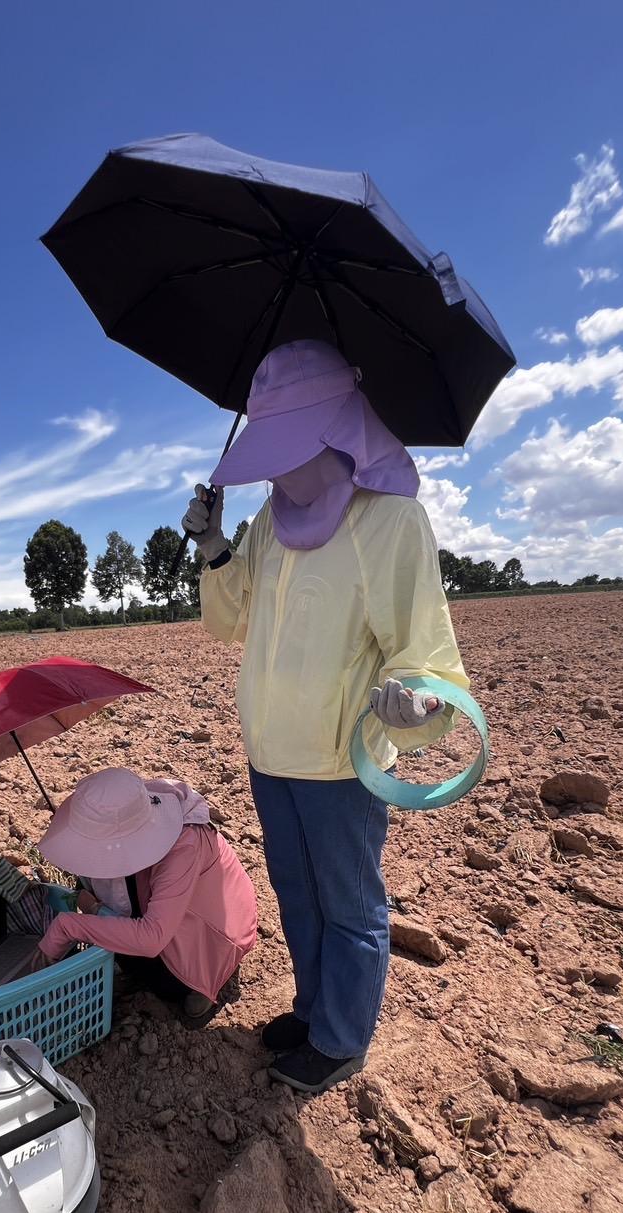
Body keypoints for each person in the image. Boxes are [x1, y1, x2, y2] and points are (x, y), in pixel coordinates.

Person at [182, 339, 470, 1093]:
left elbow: (424, 654)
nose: (274, 469)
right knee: (298, 893)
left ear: (338, 432)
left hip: (343, 764)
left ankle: (341, 1040)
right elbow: (231, 619)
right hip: (271, 753)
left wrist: (419, 699)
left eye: (286, 450)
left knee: (349, 903)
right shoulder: (267, 526)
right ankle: (313, 1012)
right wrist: (214, 543)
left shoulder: (391, 524)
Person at [33, 768, 257, 1026]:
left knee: (159, 978)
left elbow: (152, 938)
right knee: (115, 935)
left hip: (213, 933)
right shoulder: (131, 808)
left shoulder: (184, 845)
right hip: (169, 908)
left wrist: (70, 925)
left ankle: (201, 981)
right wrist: (95, 908)